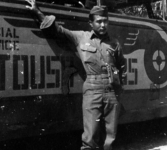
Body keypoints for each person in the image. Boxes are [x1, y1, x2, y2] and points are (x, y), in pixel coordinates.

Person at [25, 0, 126, 149]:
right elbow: (58, 30)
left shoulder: (114, 44)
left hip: (112, 91)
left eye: (105, 21)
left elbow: (122, 66)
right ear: (90, 23)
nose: (103, 25)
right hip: (93, 90)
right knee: (90, 137)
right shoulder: (81, 37)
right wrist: (38, 12)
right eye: (98, 22)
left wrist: (119, 89)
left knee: (110, 137)